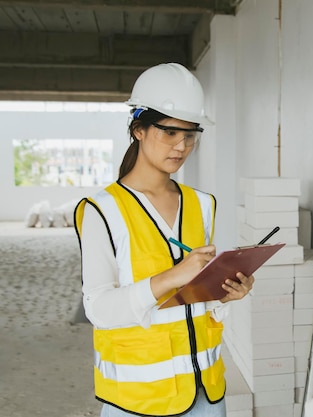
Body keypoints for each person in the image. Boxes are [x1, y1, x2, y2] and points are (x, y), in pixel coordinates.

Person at [73, 63, 254, 417]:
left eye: (190, 135)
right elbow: (99, 309)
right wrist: (172, 277)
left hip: (206, 392)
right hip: (138, 401)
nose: (181, 146)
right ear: (138, 129)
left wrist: (227, 291)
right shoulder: (102, 211)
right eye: (169, 132)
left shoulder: (202, 205)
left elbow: (197, 300)